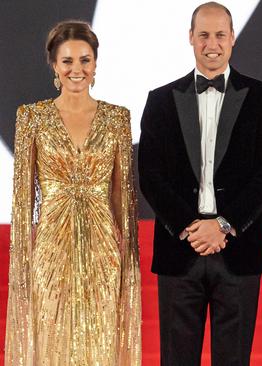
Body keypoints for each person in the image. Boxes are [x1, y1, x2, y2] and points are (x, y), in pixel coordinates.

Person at [138, 2, 262, 365]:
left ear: (233, 38)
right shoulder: (159, 101)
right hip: (179, 250)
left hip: (238, 248)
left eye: (220, 34)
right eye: (203, 35)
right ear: (190, 38)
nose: (212, 43)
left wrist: (223, 225)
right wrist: (192, 227)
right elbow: (150, 175)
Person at [5, 21, 141, 365]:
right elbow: (22, 204)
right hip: (50, 248)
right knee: (51, 340)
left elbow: (123, 196)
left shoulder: (116, 119)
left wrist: (126, 261)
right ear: (54, 65)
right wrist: (24, 260)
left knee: (101, 341)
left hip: (102, 250)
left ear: (95, 64)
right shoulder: (31, 118)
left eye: (84, 60)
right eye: (67, 61)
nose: (76, 69)